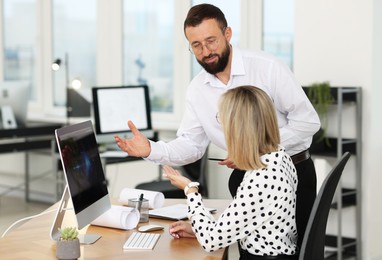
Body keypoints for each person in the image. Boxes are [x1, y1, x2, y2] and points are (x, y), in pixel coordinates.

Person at [114, 3, 320, 250]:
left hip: (291, 173)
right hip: (247, 178)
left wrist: (255, 150)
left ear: (228, 34)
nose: (206, 51)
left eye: (211, 40)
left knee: (295, 251)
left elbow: (308, 122)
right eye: (196, 46)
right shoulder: (197, 89)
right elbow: (191, 144)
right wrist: (150, 149)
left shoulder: (267, 67)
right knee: (254, 246)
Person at [164, 86, 298, 260]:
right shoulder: (279, 157)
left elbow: (211, 241)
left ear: (238, 128)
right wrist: (197, 229)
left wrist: (190, 190)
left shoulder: (262, 177)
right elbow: (240, 223)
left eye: (222, 119)